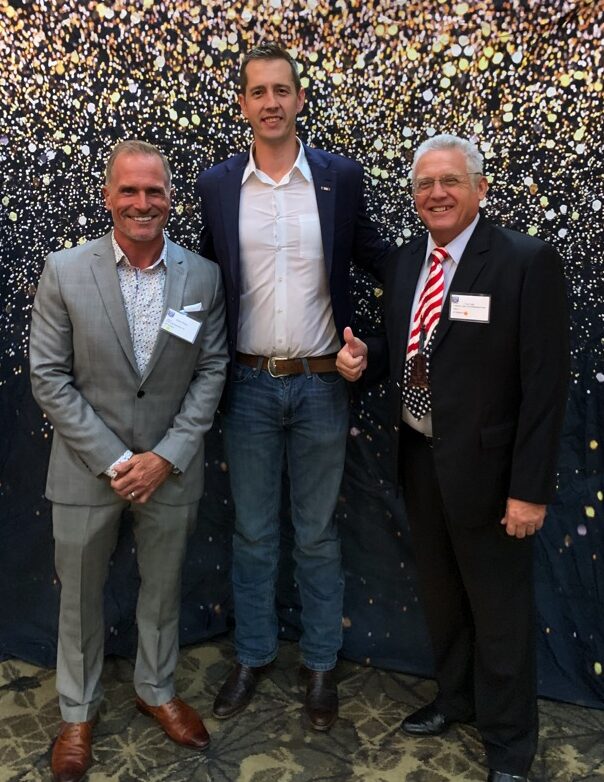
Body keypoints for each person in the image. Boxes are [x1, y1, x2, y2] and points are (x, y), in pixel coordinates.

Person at [336, 134, 569, 781]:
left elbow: (546, 388)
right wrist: (363, 363)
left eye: (450, 182)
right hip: (418, 460)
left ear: (480, 189)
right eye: (424, 185)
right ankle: (457, 700)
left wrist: (530, 490)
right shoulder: (408, 261)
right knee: (442, 597)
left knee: (499, 613)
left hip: (494, 477)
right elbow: (399, 350)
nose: (436, 194)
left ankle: (510, 748)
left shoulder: (526, 262)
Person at [196, 42, 388, 731]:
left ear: (301, 99)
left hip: (320, 386)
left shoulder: (340, 178)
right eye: (258, 91)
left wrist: (379, 344)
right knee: (251, 533)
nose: (271, 102)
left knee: (316, 536)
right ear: (243, 103)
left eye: (283, 89)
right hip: (246, 385)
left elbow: (377, 262)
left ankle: (319, 666)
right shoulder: (218, 186)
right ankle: (251, 656)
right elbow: (204, 280)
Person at [29, 140, 229, 782]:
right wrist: (119, 460)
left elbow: (212, 370)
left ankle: (156, 690)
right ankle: (78, 713)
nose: (142, 203)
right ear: (109, 195)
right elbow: (49, 377)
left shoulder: (202, 276)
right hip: (87, 471)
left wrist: (165, 457)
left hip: (171, 471)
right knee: (81, 600)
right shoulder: (64, 271)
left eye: (155, 191)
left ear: (171, 198)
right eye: (129, 190)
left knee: (164, 591)